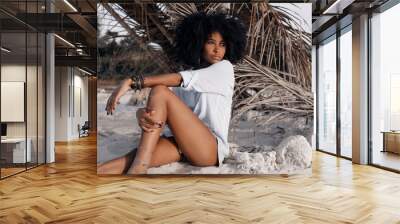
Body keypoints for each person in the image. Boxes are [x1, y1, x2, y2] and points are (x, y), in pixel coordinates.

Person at [98, 12, 247, 174]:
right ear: (198, 43)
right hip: (182, 144)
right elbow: (162, 107)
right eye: (211, 42)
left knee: (160, 89)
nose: (217, 49)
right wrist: (141, 113)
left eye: (223, 44)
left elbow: (175, 81)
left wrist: (131, 82)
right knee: (129, 159)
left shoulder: (224, 69)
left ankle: (139, 169)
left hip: (209, 150)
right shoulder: (190, 74)